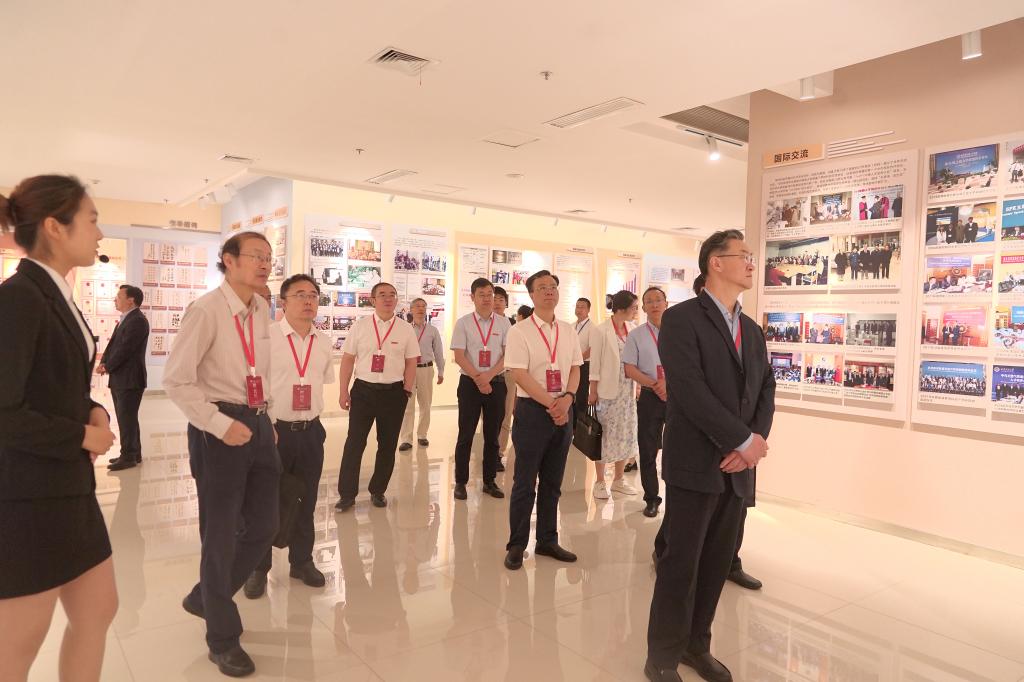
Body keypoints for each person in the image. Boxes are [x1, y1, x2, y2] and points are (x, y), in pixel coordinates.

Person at [0, 175, 118, 682]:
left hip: (69, 488)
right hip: (27, 497)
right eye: (91, 220)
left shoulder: (55, 293)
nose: (99, 232)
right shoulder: (18, 298)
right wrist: (80, 436)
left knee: (98, 609)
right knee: (19, 640)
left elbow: (52, 384)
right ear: (54, 226)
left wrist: (94, 410)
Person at [645, 230, 775, 682]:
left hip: (737, 469)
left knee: (718, 562)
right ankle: (662, 656)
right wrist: (740, 441)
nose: (752, 263)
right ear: (715, 263)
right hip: (696, 463)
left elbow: (765, 387)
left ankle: (696, 645)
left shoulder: (751, 329)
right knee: (681, 563)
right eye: (744, 255)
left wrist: (753, 443)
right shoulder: (681, 319)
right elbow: (690, 390)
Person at [165, 230, 279, 677]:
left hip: (258, 421)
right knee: (220, 533)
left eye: (269, 257)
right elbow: (177, 380)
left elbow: (260, 372)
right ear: (228, 261)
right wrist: (217, 423)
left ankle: (205, 597)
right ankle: (222, 637)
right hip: (218, 426)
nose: (265, 263)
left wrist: (266, 418)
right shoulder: (207, 311)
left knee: (265, 525)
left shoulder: (262, 309)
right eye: (256, 256)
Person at [243, 274, 335, 599]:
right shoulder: (267, 338)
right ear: (283, 302)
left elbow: (321, 380)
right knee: (265, 501)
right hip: (274, 431)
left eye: (313, 295)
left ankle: (302, 560)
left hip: (310, 431)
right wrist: (263, 424)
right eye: (300, 295)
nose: (308, 301)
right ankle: (258, 567)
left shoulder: (323, 341)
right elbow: (254, 385)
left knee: (306, 500)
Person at [503, 270, 583, 570]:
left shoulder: (568, 330)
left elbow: (575, 367)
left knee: (553, 481)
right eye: (542, 287)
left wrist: (568, 399)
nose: (549, 291)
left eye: (553, 287)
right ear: (532, 295)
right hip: (533, 411)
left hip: (564, 409)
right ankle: (516, 544)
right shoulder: (519, 331)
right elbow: (518, 373)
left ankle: (547, 540)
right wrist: (552, 403)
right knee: (525, 482)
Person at [335, 282, 419, 511]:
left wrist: (407, 389)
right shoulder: (360, 326)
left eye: (392, 294)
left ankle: (378, 490)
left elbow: (412, 361)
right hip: (363, 391)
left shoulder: (405, 329)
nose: (388, 298)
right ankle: (347, 494)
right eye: (382, 294)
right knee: (354, 443)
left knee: (387, 445)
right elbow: (348, 360)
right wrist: (343, 390)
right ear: (372, 300)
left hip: (394, 394)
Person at [451, 278, 509, 501]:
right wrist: (479, 378)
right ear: (472, 297)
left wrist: (489, 376)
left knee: (492, 436)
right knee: (465, 435)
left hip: (497, 383)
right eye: (482, 295)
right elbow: (459, 356)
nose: (487, 299)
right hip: (469, 384)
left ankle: (489, 481)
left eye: (490, 294)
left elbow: (507, 355)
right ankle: (460, 482)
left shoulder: (504, 323)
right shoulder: (463, 323)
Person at [588, 290, 640, 500]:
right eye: (634, 307)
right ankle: (600, 481)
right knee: (604, 435)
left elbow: (636, 360)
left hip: (628, 392)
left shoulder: (632, 329)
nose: (636, 311)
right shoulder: (601, 330)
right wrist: (593, 391)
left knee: (625, 434)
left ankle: (618, 479)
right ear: (622, 308)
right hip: (607, 392)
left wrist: (638, 385)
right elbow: (595, 363)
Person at [623, 287, 668, 517]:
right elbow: (629, 368)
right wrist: (655, 384)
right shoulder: (636, 335)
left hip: (677, 396)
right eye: (649, 301)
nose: (654, 304)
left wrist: (668, 383)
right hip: (650, 397)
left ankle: (678, 497)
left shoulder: (680, 332)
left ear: (666, 303)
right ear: (643, 307)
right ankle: (651, 498)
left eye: (658, 300)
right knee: (648, 449)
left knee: (678, 448)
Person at [98, 284, 150, 471]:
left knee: (126, 418)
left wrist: (108, 366)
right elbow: (113, 345)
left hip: (130, 379)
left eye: (119, 297)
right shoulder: (126, 319)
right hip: (122, 377)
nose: (115, 299)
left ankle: (128, 456)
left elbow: (125, 349)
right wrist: (104, 361)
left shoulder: (138, 321)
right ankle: (133, 453)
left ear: (131, 300)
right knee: (127, 418)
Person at [399, 298, 445, 451]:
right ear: (411, 310)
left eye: (423, 306)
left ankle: (422, 435)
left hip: (426, 369)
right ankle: (406, 438)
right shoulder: (405, 329)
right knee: (407, 405)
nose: (420, 309)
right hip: (408, 370)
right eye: (417, 306)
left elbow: (438, 352)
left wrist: (441, 370)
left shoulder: (432, 330)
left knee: (425, 404)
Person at [495, 285, 516, 465]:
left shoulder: (512, 324)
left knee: (506, 414)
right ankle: (490, 448)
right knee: (490, 416)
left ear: (506, 303)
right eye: (495, 299)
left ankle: (499, 453)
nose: (497, 302)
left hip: (508, 374)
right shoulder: (483, 322)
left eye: (501, 300)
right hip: (488, 375)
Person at [574, 297, 594, 410]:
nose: (579, 309)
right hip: (571, 364)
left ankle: (581, 419)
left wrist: (578, 360)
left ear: (588, 310)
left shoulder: (592, 327)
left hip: (584, 365)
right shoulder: (571, 326)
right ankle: (572, 418)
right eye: (577, 307)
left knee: (582, 393)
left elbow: (592, 349)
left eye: (582, 307)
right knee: (571, 392)